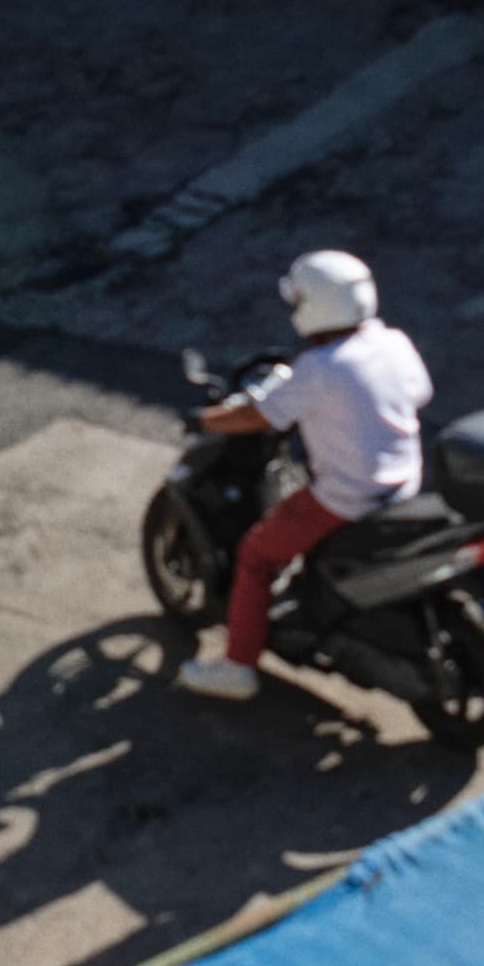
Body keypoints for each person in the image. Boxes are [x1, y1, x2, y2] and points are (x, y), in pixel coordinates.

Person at [176, 251, 433, 702]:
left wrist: (204, 420)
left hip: (347, 498)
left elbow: (259, 416)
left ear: (314, 306)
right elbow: (418, 392)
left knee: (255, 554)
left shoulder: (320, 367)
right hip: (403, 486)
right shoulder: (394, 342)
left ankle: (237, 668)